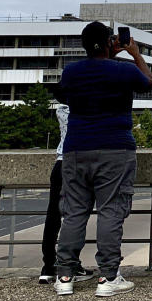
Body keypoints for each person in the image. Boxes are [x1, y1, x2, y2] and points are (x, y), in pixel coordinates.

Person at [53, 21, 152, 297]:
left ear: (84, 45)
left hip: (75, 149)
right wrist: (133, 53)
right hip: (114, 149)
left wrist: (108, 55)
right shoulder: (123, 70)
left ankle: (64, 275)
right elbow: (147, 82)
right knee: (110, 210)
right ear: (110, 43)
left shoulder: (71, 72)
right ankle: (108, 276)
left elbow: (71, 89)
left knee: (73, 212)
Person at [39, 102, 94, 284]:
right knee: (77, 216)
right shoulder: (86, 106)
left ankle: (48, 265)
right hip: (79, 161)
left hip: (61, 162)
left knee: (53, 215)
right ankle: (71, 263)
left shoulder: (62, 107)